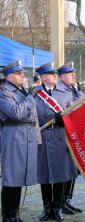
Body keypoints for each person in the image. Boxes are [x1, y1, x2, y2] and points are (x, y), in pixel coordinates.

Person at [35, 62, 78, 221]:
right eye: (51, 74)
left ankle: (58, 207)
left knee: (60, 175)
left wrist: (64, 119)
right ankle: (47, 208)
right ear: (43, 77)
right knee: (44, 176)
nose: (55, 76)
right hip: (43, 137)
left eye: (55, 73)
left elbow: (75, 115)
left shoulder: (65, 94)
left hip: (60, 137)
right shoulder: (34, 94)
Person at [0, 60, 39, 221]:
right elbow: (16, 113)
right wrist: (30, 97)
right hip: (14, 135)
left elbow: (32, 116)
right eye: (19, 73)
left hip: (26, 135)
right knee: (11, 177)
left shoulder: (21, 91)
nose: (23, 76)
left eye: (22, 73)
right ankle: (8, 216)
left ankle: (15, 214)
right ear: (9, 77)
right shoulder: (5, 93)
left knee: (20, 177)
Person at [57, 61, 84, 215]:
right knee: (66, 170)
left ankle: (67, 200)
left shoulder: (71, 88)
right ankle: (60, 202)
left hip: (74, 134)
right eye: (70, 73)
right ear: (61, 77)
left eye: (74, 73)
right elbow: (71, 109)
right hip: (65, 134)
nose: (74, 75)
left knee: (73, 170)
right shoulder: (60, 90)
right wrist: (80, 94)